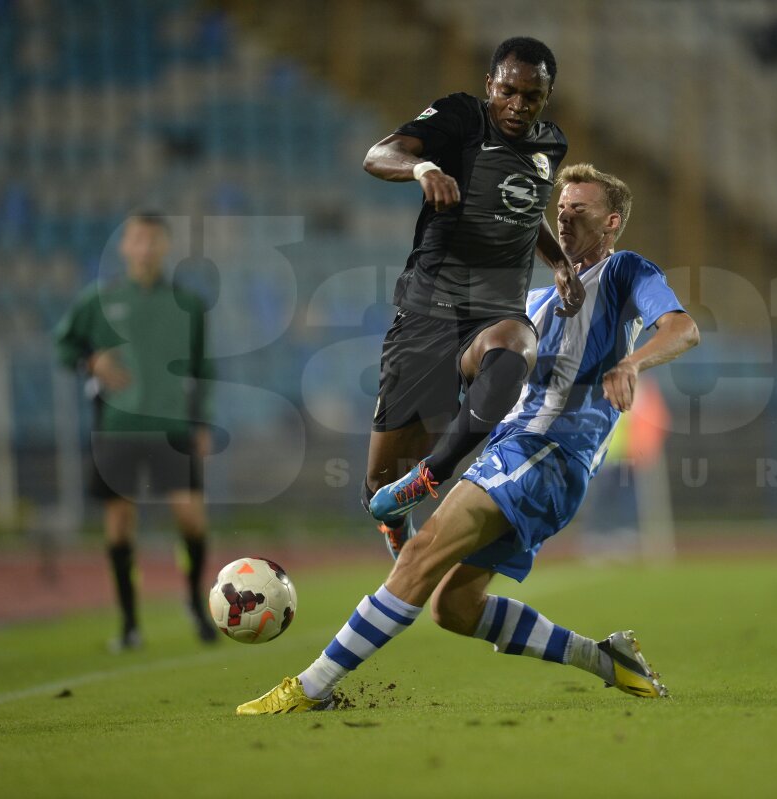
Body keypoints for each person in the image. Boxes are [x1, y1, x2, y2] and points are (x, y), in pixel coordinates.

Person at [236, 164, 700, 714]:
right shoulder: (532, 300)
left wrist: (631, 362)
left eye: (582, 208)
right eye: (562, 206)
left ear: (612, 222)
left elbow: (681, 327)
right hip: (521, 453)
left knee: (423, 555)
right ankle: (608, 660)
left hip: (547, 453)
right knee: (454, 607)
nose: (566, 213)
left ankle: (311, 688)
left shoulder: (624, 270)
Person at [358, 36, 585, 557]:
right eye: (508, 91)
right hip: (428, 311)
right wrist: (423, 168)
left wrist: (559, 263)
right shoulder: (461, 117)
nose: (518, 105)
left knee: (515, 350)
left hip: (496, 309)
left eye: (531, 96)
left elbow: (529, 210)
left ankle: (432, 476)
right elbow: (378, 154)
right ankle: (397, 517)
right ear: (491, 85)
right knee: (376, 487)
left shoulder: (551, 145)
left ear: (546, 97)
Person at [53, 212, 215, 651]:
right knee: (120, 526)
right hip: (118, 426)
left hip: (173, 426)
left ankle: (195, 603)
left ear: (164, 247)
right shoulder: (99, 300)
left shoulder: (188, 304)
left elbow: (204, 369)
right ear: (125, 247)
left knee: (191, 519)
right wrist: (92, 361)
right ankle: (129, 623)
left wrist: (203, 421)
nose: (145, 246)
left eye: (153, 239)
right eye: (137, 239)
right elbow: (63, 344)